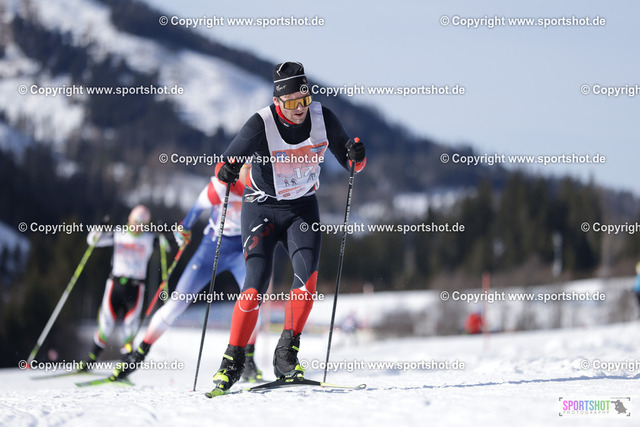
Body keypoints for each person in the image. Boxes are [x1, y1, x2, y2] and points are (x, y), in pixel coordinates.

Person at [208, 61, 366, 393]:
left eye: (304, 100)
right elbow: (225, 163)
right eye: (292, 102)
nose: (300, 108)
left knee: (307, 281)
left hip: (301, 209)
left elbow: (353, 164)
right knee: (254, 284)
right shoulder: (260, 123)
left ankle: (285, 355)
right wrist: (227, 170)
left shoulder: (323, 118)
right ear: (278, 100)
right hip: (261, 208)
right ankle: (232, 361)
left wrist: (356, 155)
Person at [111, 165, 264, 382]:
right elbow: (195, 210)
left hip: (243, 250)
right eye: (246, 168)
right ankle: (138, 355)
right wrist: (184, 229)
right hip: (212, 249)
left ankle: (248, 361)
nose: (251, 173)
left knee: (253, 300)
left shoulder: (262, 183)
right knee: (178, 301)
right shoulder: (221, 185)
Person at [80, 205, 168, 369]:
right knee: (106, 322)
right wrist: (99, 227)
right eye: (135, 222)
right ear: (129, 219)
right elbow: (92, 241)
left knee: (130, 326)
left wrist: (164, 234)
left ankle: (126, 364)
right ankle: (91, 360)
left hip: (135, 287)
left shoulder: (149, 238)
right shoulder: (119, 233)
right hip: (115, 285)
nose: (137, 227)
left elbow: (167, 246)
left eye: (142, 224)